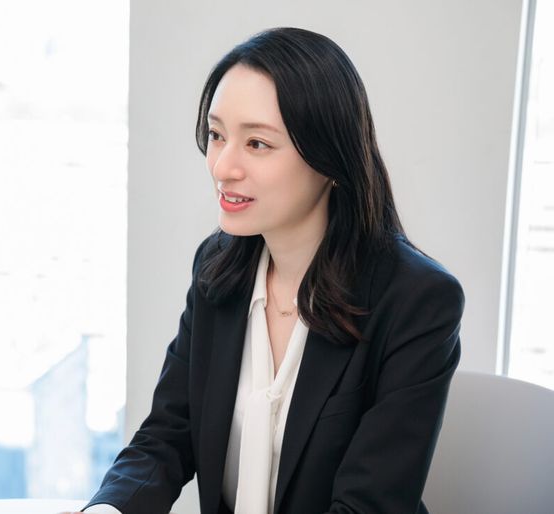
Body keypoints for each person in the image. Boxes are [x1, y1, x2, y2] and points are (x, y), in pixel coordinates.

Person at [72, 26, 464, 514]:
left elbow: (368, 505)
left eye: (257, 143)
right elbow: (167, 435)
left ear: (330, 158)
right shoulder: (218, 268)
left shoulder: (417, 300)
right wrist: (108, 509)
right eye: (217, 135)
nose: (223, 167)